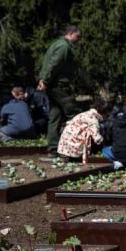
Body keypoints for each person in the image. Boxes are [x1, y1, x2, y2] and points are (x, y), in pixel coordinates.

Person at [38, 25, 81, 155]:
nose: (78, 40)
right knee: (72, 113)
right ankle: (75, 146)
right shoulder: (64, 47)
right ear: (71, 33)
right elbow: (54, 65)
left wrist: (44, 80)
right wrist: (44, 80)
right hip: (59, 86)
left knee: (55, 115)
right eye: (78, 37)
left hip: (53, 85)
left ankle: (53, 148)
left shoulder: (57, 44)